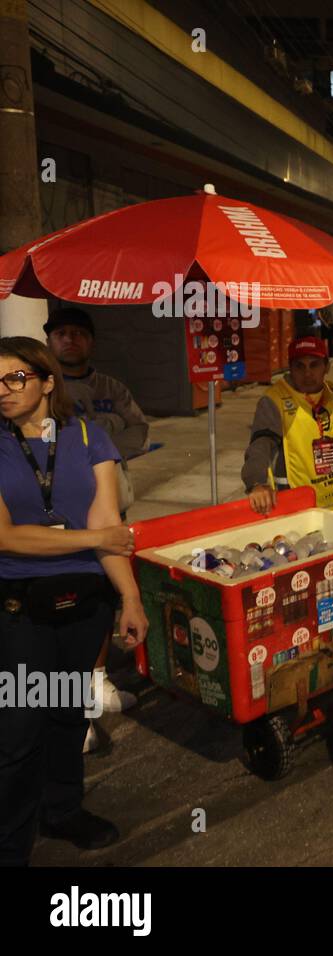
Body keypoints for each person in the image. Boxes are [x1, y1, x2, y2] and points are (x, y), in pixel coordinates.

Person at [0, 337, 145, 864]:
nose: (4, 391)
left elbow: (108, 524)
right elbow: (7, 536)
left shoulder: (90, 438)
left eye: (15, 378)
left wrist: (130, 598)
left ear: (46, 382)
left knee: (66, 713)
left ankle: (61, 811)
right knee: (20, 728)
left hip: (84, 604)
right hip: (20, 611)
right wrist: (91, 540)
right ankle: (11, 843)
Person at [44, 307, 148, 741]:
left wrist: (98, 447)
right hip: (56, 521)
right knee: (61, 608)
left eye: (79, 334)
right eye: (62, 333)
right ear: (49, 340)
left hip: (109, 511)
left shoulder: (111, 387)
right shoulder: (43, 390)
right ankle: (68, 713)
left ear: (91, 341)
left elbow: (139, 430)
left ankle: (96, 681)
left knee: (102, 600)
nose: (70, 340)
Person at [241, 336, 333, 519]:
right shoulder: (274, 401)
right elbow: (260, 445)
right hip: (305, 514)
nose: (307, 373)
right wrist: (256, 483)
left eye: (314, 365)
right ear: (290, 368)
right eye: (299, 366)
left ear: (327, 367)